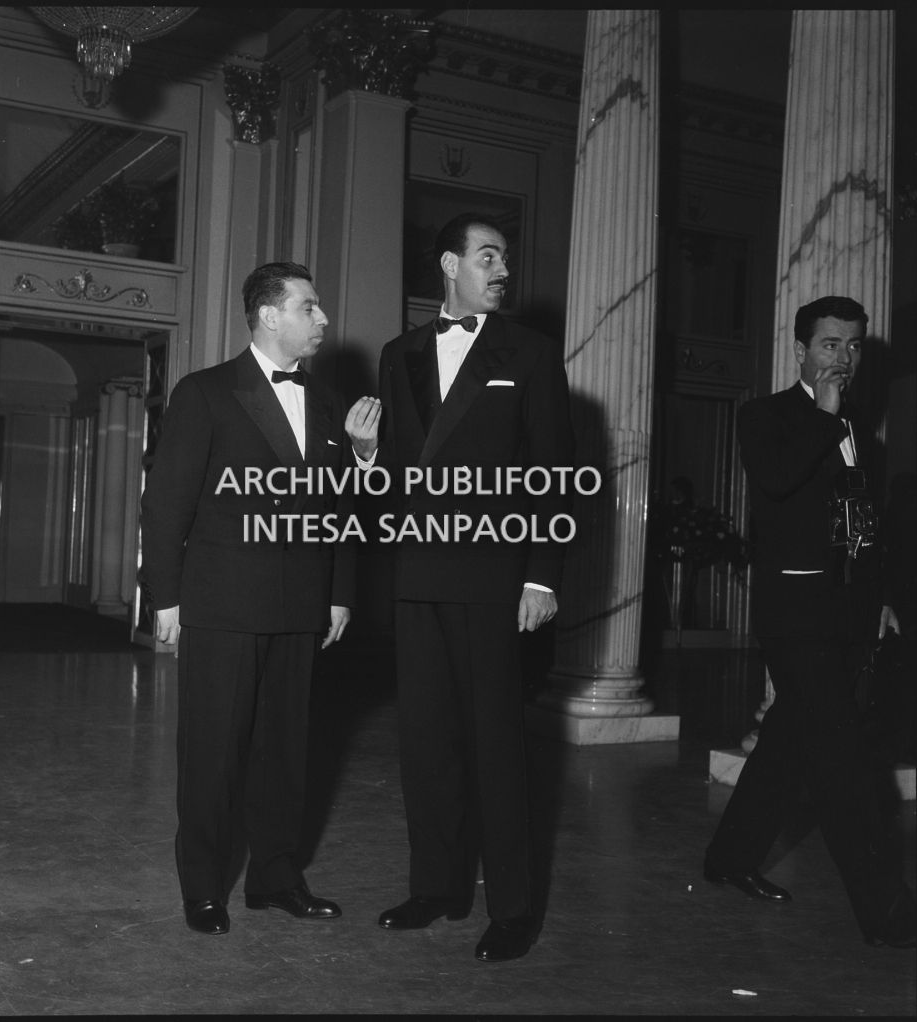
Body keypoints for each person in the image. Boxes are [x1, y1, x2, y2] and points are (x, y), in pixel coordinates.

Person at [346, 213, 574, 962]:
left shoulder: (531, 354)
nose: (502, 270)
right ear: (450, 264)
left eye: (505, 257)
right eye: (487, 257)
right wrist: (368, 455)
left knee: (498, 748)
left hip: (494, 575)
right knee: (426, 742)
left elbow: (553, 471)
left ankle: (512, 908)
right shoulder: (399, 353)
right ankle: (436, 886)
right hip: (418, 574)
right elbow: (390, 486)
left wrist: (541, 572)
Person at [140, 262, 355, 936]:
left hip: (299, 608)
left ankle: (275, 878)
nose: (322, 319)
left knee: (285, 754)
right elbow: (167, 501)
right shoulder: (205, 393)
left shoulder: (325, 402)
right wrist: (165, 599)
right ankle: (202, 887)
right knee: (213, 752)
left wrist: (340, 591)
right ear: (269, 315)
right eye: (309, 307)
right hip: (222, 605)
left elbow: (340, 502)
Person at [703, 295, 914, 949]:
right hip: (793, 614)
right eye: (830, 345)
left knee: (787, 742)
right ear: (801, 349)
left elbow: (861, 527)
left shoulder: (859, 432)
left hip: (847, 614)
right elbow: (775, 481)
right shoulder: (765, 416)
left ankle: (729, 858)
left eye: (853, 347)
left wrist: (878, 598)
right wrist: (824, 417)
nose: (842, 359)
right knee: (842, 758)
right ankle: (889, 915)